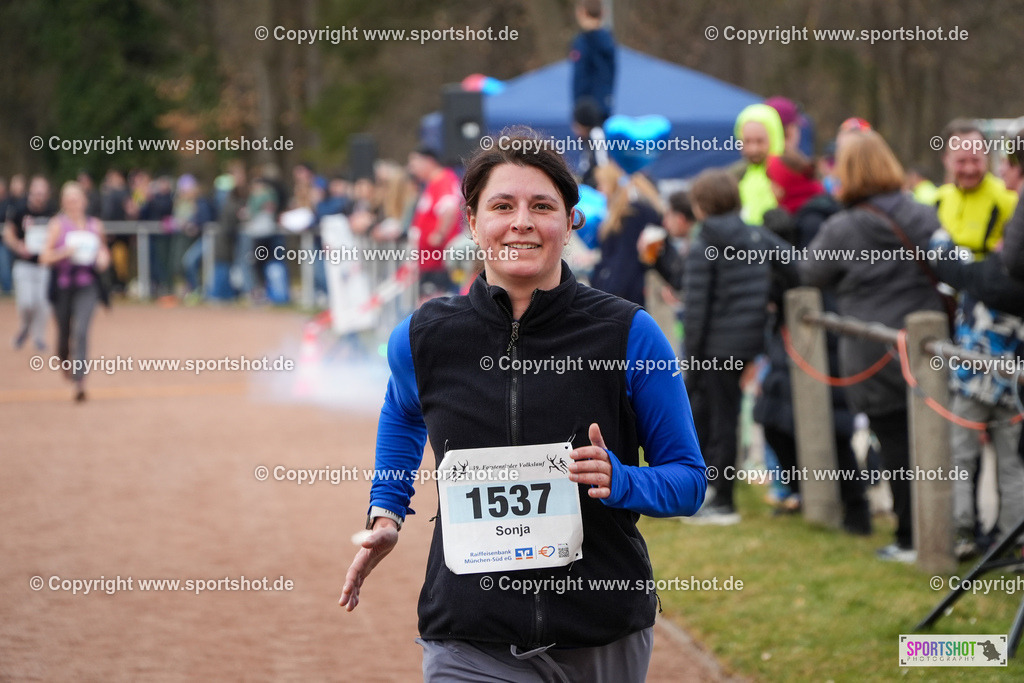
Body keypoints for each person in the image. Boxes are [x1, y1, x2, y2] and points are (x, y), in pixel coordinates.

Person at [340, 127, 706, 682]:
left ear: (571, 221)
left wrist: (623, 480)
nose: (522, 222)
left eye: (542, 206)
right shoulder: (423, 337)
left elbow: (689, 481)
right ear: (472, 222)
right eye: (502, 206)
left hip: (601, 629)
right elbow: (403, 414)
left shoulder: (629, 334)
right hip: (469, 633)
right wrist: (386, 511)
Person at [799, 130, 946, 563]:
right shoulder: (921, 213)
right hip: (927, 346)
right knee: (935, 442)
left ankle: (909, 536)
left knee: (895, 444)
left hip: (873, 350)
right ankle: (945, 529)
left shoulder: (842, 227)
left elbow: (809, 272)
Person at [682, 169, 795, 524]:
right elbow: (797, 265)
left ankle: (723, 499)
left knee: (718, 421)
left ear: (701, 205)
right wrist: (773, 298)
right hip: (747, 342)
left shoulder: (705, 241)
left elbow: (696, 309)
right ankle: (714, 492)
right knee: (725, 419)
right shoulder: (755, 235)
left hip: (714, 347)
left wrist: (691, 359)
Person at [928, 227, 1024, 558]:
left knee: (960, 459)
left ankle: (961, 531)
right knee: (1013, 466)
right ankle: (1013, 542)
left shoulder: (983, 272)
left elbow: (945, 261)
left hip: (970, 382)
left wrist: (942, 236)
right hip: (1014, 389)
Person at [39, 182, 111, 402]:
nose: (74, 204)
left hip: (87, 285)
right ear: (63, 203)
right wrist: (64, 253)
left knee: (81, 331)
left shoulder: (95, 225)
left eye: (77, 199)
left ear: (84, 201)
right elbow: (44, 257)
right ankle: (64, 361)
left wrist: (103, 259)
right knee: (64, 336)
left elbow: (103, 251)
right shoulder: (57, 225)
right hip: (62, 286)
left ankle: (79, 382)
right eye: (69, 200)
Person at [936, 119, 1018, 260]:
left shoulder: (1010, 198)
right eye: (961, 161)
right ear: (946, 160)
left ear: (987, 156)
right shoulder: (938, 199)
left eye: (975, 160)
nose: (969, 169)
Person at [589, 163, 662, 306]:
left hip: (622, 295)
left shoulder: (630, 213)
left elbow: (624, 260)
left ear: (612, 184)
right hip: (626, 291)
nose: (599, 190)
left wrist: (607, 296)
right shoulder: (634, 210)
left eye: (601, 185)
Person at [4, 176, 56, 350]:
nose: (39, 196)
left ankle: (38, 337)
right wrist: (18, 246)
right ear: (31, 191)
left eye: (42, 193)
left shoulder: (52, 211)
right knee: (27, 303)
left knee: (42, 304)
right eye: (36, 192)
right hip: (24, 264)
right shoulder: (19, 209)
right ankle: (25, 328)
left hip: (44, 265)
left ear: (47, 194)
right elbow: (8, 233)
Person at [407, 146, 462, 298]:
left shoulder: (443, 180)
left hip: (438, 261)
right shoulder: (432, 183)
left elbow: (450, 207)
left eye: (414, 164)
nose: (412, 169)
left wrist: (439, 234)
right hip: (430, 261)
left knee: (435, 302)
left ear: (428, 161)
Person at [732, 103, 785, 225]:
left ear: (774, 138)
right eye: (747, 141)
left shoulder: (790, 174)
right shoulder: (734, 176)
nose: (753, 149)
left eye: (760, 141)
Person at [570, 0, 616, 122]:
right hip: (592, 108)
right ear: (603, 13)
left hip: (593, 111)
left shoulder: (597, 41)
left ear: (582, 12)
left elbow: (581, 78)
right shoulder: (583, 40)